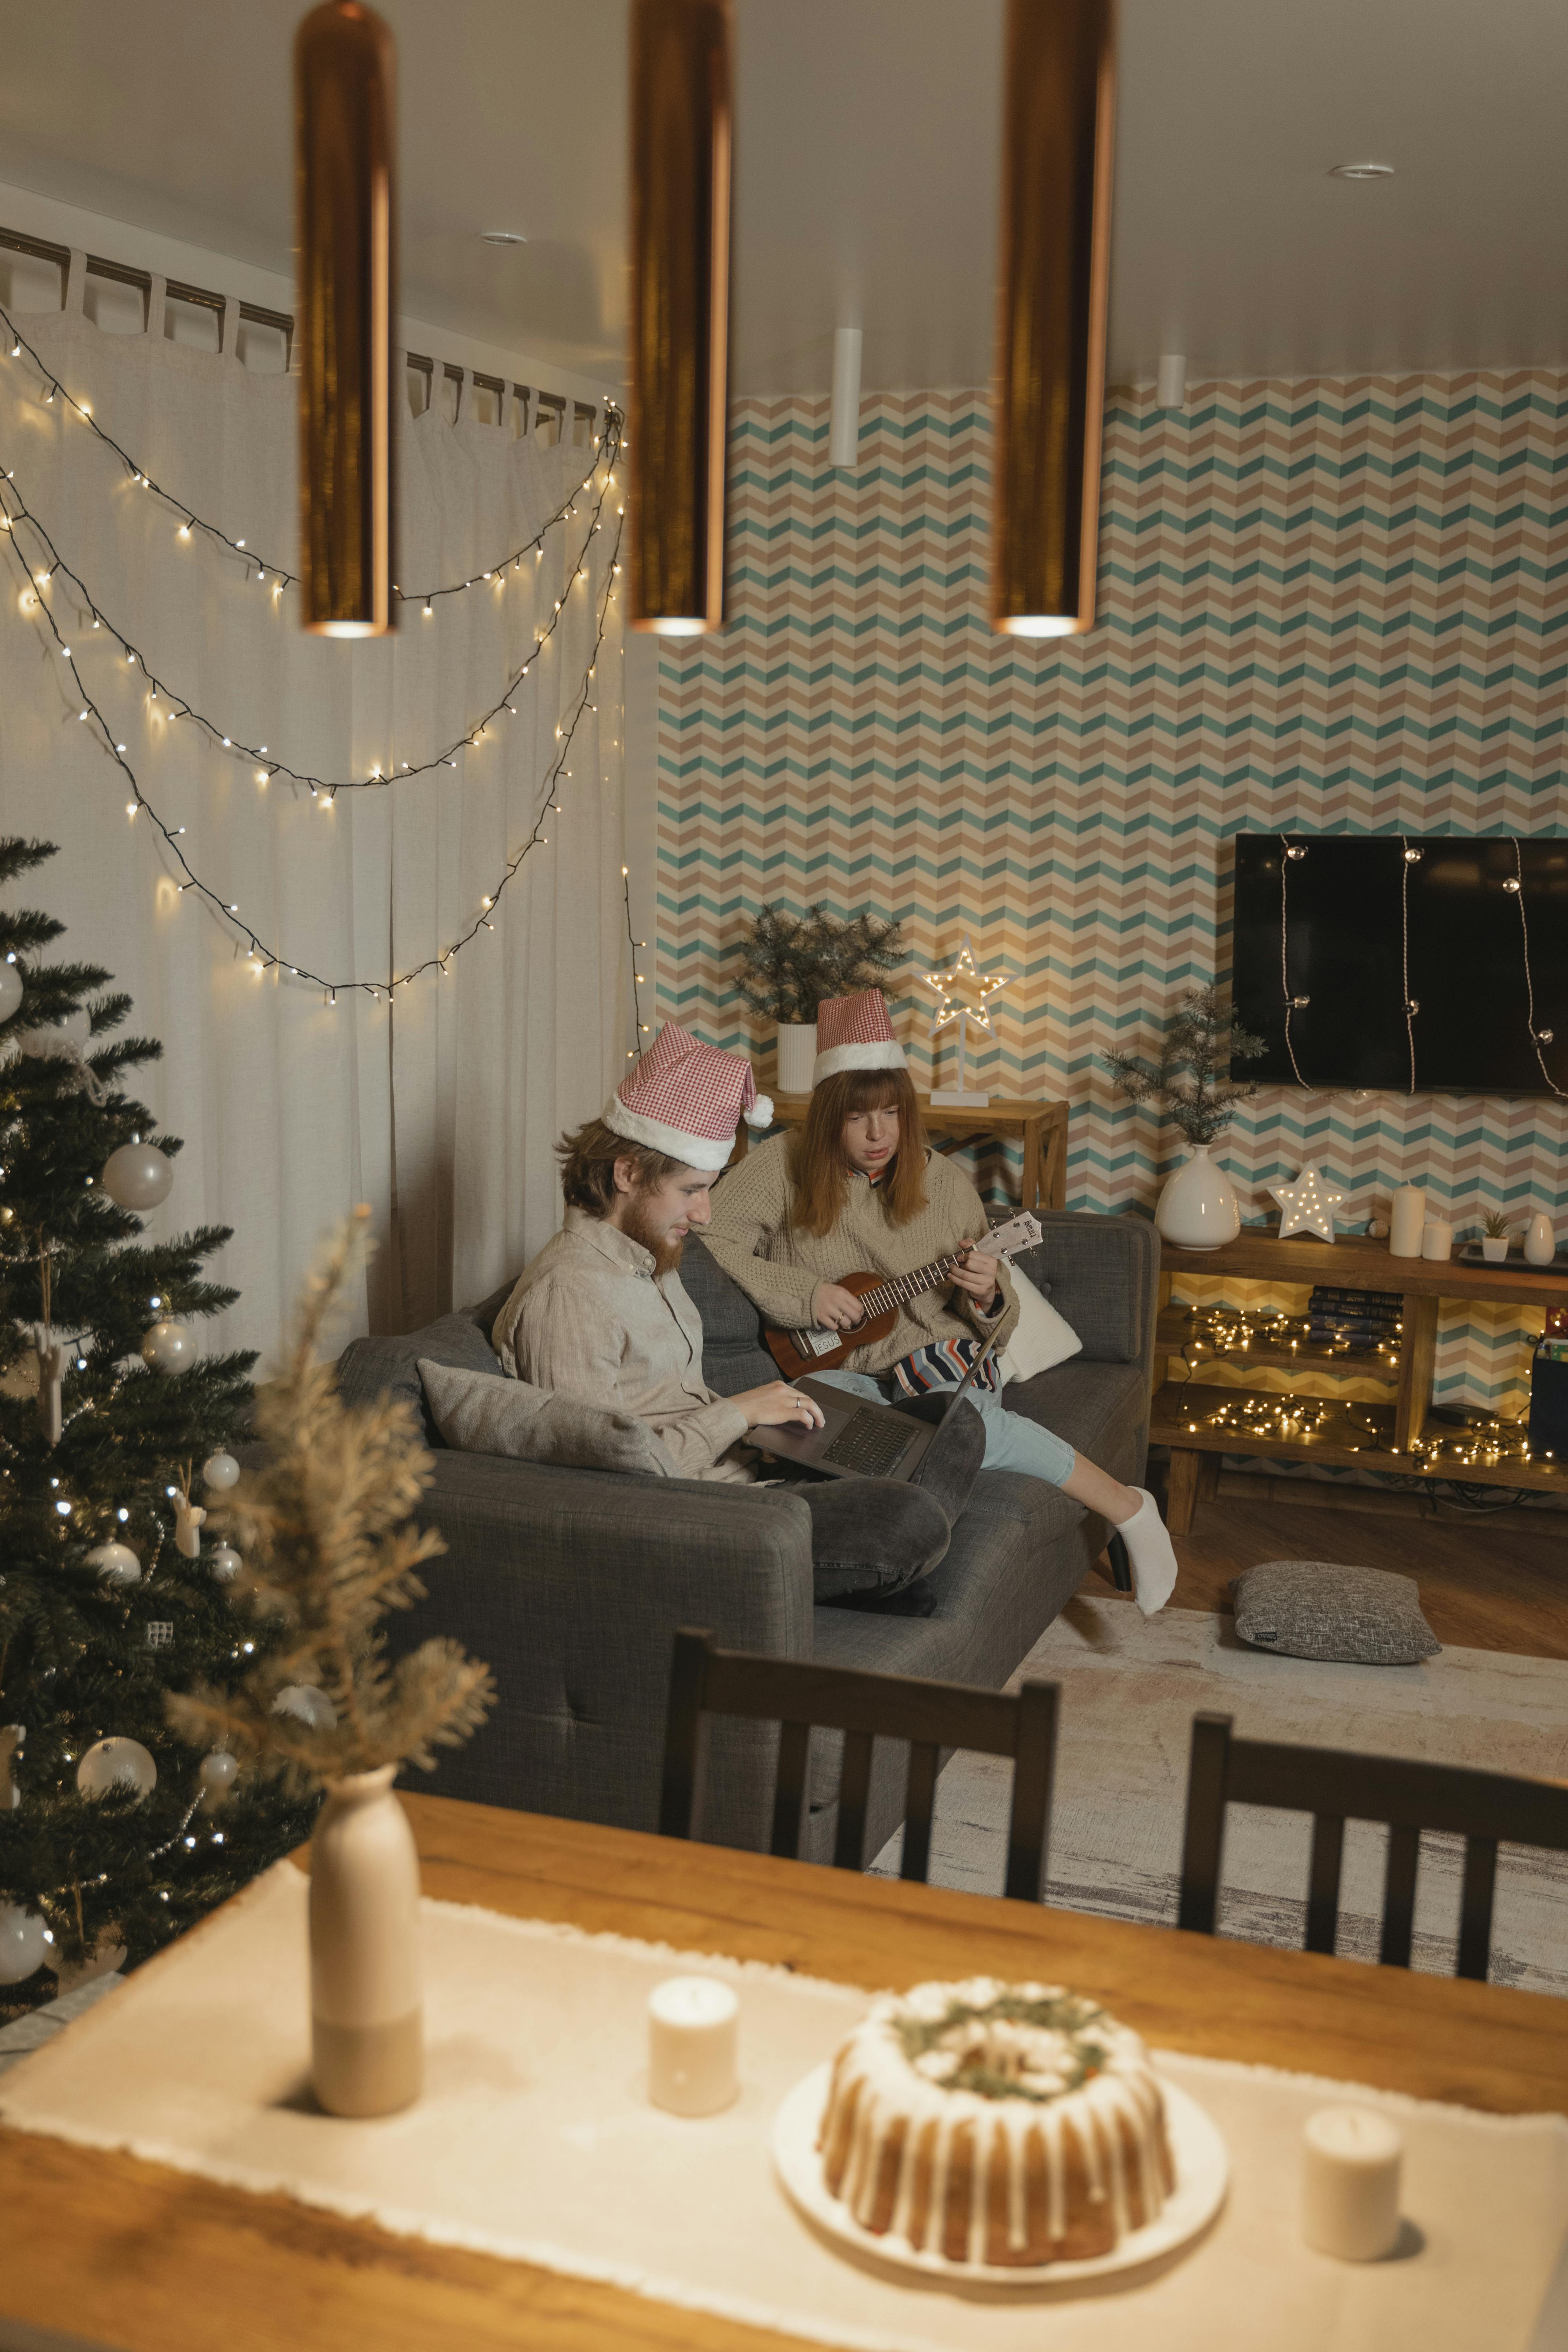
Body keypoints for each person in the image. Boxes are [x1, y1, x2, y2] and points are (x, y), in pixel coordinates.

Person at [700, 988, 1180, 1613]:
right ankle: (899, 1564)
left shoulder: (944, 1183)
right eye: (856, 1117)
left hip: (938, 1359)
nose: (879, 1134)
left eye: (892, 1113)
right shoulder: (780, 1164)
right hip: (841, 1374)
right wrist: (805, 1292)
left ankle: (1128, 1507)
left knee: (962, 1420)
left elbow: (998, 1316)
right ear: (827, 1117)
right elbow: (710, 1236)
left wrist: (984, 1294)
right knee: (874, 1433)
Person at [492, 1021, 982, 1607]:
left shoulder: (652, 1261)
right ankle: (873, 1570)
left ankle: (872, 1571)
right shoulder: (568, 1293)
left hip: (749, 1468)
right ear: (627, 1173)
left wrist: (767, 1427)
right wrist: (740, 1410)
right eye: (691, 1191)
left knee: (951, 1422)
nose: (704, 1215)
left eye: (709, 1190)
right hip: (710, 1519)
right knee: (910, 1518)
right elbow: (601, 1481)